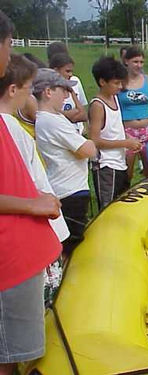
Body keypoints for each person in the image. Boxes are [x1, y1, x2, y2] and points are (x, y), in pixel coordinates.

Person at [0, 11, 62, 375]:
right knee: (7, 357)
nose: (9, 56)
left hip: (19, 260)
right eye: (8, 45)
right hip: (9, 264)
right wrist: (34, 205)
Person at [0, 55, 70, 306]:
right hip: (32, 234)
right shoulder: (9, 127)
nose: (32, 98)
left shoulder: (11, 126)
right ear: (13, 90)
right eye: (30, 89)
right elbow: (28, 183)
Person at [34, 68, 97, 256]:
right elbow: (87, 150)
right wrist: (91, 142)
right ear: (48, 92)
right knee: (74, 248)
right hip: (70, 191)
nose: (67, 95)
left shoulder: (53, 118)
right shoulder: (53, 121)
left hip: (69, 188)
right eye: (63, 90)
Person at [88, 57, 141, 210]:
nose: (120, 87)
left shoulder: (114, 98)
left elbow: (114, 128)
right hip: (106, 165)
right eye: (116, 83)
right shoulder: (98, 105)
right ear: (102, 82)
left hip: (119, 162)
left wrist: (128, 138)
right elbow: (95, 140)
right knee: (107, 208)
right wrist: (125, 143)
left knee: (120, 205)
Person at [117, 46, 148, 180]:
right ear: (126, 62)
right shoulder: (119, 83)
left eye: (141, 62)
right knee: (127, 172)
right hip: (127, 131)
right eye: (135, 62)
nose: (139, 65)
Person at [46, 42, 88, 133]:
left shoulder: (75, 82)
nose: (70, 74)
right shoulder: (45, 87)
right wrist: (67, 115)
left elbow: (83, 115)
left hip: (76, 133)